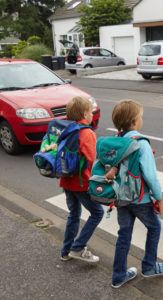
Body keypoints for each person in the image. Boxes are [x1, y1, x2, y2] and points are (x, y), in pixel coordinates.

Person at [110, 99, 163, 289]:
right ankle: (149, 266)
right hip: (140, 199)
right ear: (135, 121)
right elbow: (150, 176)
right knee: (154, 228)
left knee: (124, 234)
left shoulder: (117, 140)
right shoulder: (141, 143)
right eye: (140, 117)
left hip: (121, 197)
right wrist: (158, 197)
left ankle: (119, 275)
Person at [60, 96, 104, 263]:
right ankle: (77, 247)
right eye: (91, 112)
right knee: (97, 213)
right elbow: (94, 161)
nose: (93, 115)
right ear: (85, 114)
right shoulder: (86, 133)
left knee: (74, 214)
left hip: (66, 181)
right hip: (81, 183)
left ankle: (65, 251)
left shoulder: (66, 129)